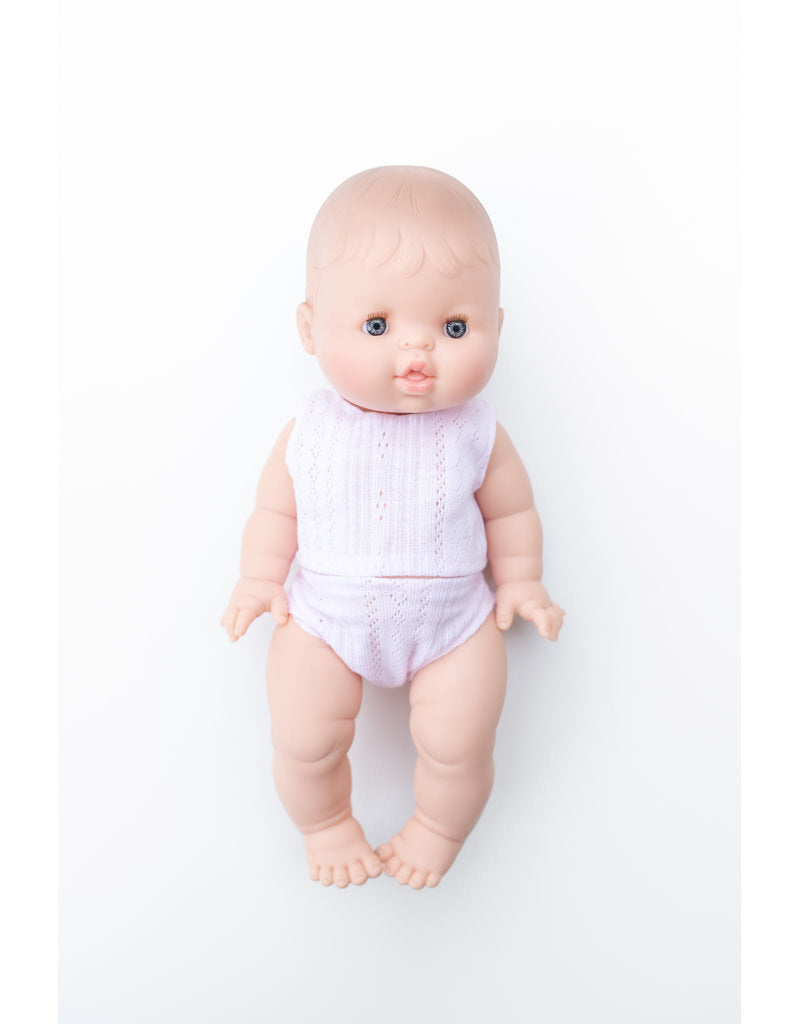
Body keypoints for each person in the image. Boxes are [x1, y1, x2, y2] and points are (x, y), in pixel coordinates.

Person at [221, 166, 565, 889]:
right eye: (377, 326)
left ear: (497, 327)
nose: (417, 352)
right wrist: (257, 577)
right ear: (310, 329)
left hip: (455, 625)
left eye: (454, 327)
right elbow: (276, 511)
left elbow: (511, 510)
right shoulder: (310, 428)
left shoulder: (477, 431)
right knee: (303, 739)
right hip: (323, 618)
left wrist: (522, 580)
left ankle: (440, 828)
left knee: (459, 746)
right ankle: (324, 825)